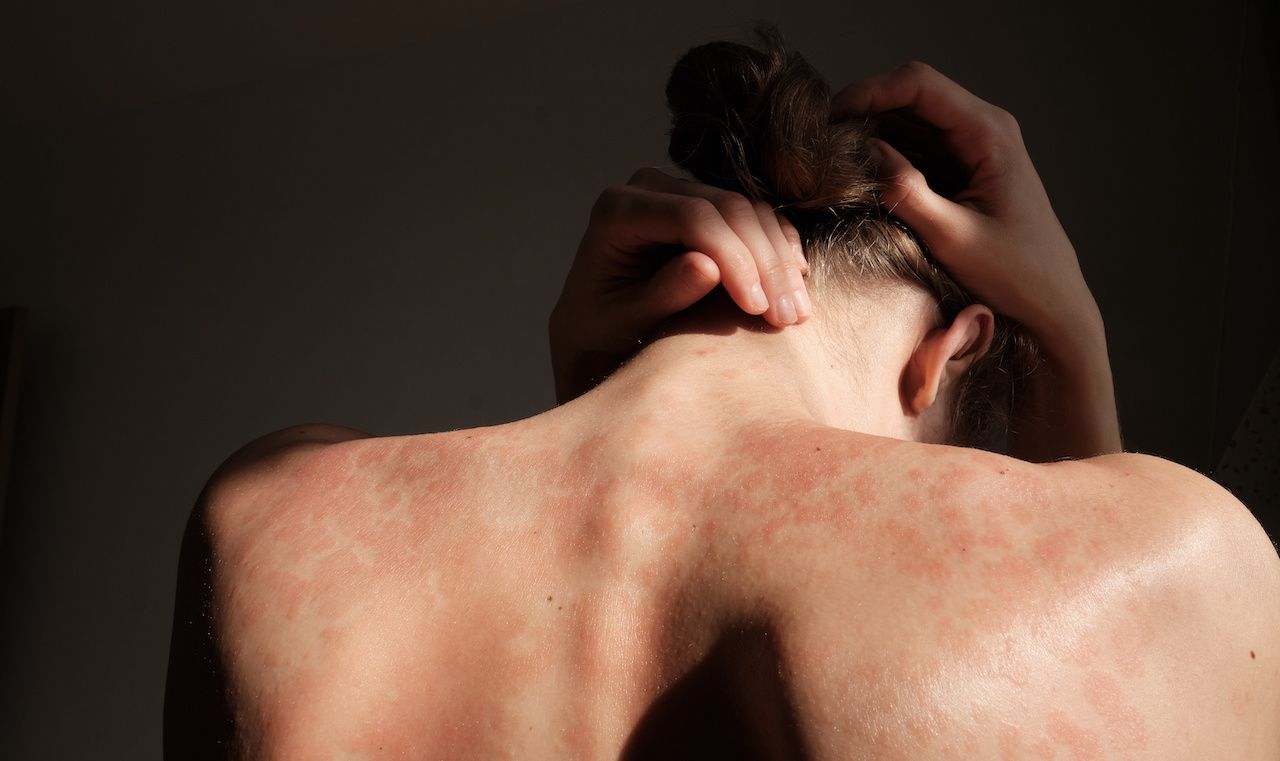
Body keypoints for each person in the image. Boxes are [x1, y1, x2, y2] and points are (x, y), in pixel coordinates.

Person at [164, 25, 1280, 760]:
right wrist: (1070, 331)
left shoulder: (271, 515)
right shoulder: (1169, 556)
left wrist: (591, 401)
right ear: (946, 351)